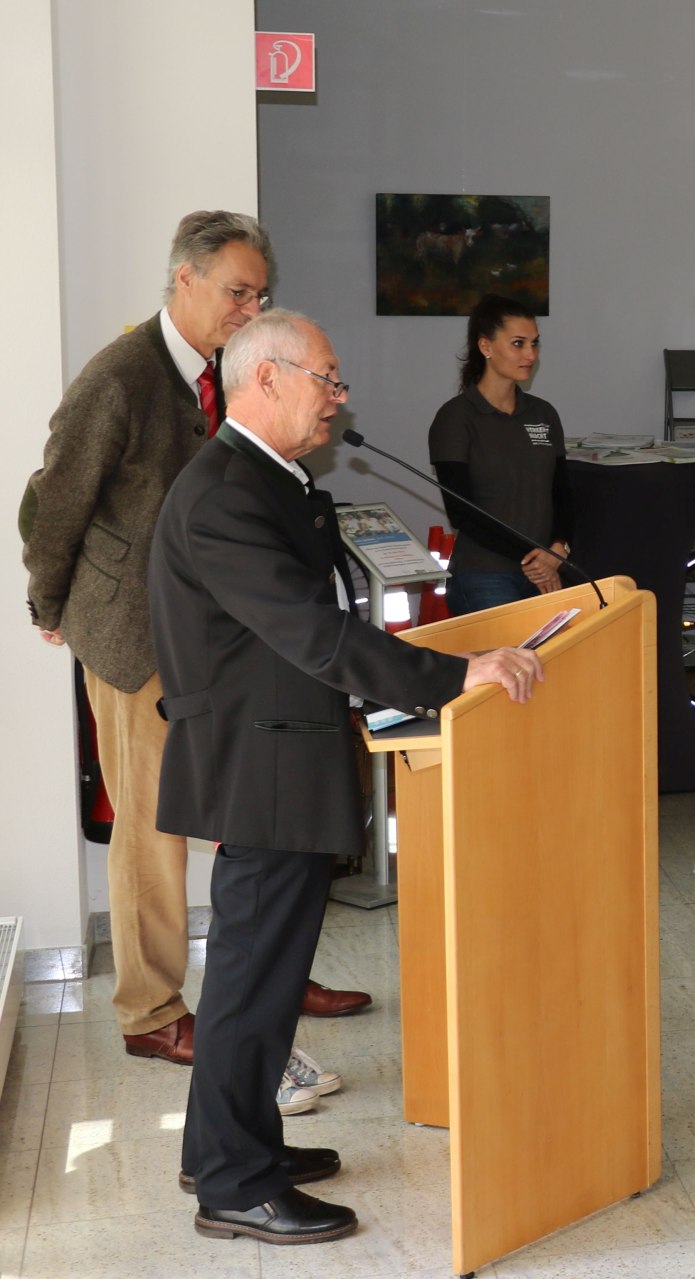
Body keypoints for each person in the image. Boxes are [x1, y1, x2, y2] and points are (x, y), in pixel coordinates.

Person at [149, 309, 545, 1244]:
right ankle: (235, 1184)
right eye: (326, 379)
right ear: (266, 379)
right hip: (261, 762)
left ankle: (223, 1146)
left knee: (260, 973)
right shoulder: (226, 494)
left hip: (278, 750)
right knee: (255, 977)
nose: (339, 397)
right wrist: (452, 676)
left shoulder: (266, 478)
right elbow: (314, 631)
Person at [20, 211, 369, 1071]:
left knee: (259, 804)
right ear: (185, 278)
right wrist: (48, 601)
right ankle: (151, 1008)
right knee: (153, 824)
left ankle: (272, 977)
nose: (251, 310)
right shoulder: (122, 375)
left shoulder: (235, 371)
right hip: (136, 636)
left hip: (230, 637)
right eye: (237, 292)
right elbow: (52, 500)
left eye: (261, 295)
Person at [429, 294, 572, 615]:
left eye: (534, 344)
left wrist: (558, 549)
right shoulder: (456, 417)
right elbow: (462, 513)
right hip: (486, 574)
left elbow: (562, 493)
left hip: (545, 569)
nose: (530, 354)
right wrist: (535, 559)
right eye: (518, 344)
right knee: (511, 650)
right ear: (486, 346)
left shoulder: (544, 413)